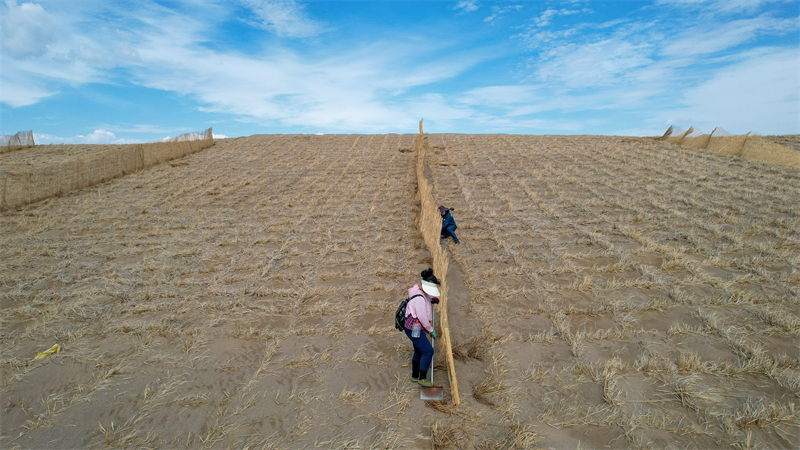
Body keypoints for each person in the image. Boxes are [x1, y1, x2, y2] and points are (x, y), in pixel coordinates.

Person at [405, 268, 440, 387]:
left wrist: (432, 299)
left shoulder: (419, 291)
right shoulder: (419, 298)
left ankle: (414, 376)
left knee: (418, 351)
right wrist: (431, 330)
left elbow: (426, 295)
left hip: (412, 326)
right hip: (414, 327)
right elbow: (423, 318)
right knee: (428, 351)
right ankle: (422, 377)